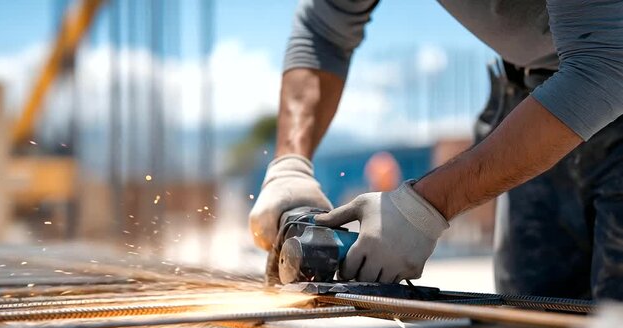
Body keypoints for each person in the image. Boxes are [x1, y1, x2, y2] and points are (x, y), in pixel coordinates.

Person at [249, 0, 623, 300]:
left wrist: (422, 208)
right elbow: (323, 31)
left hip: (604, 79)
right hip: (535, 100)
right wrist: (289, 165)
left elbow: (606, 64)